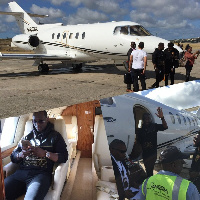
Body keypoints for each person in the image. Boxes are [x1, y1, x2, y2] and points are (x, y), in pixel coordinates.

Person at [4, 110, 68, 200]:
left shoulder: (56, 137)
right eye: (34, 121)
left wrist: (46, 153)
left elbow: (64, 157)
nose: (37, 124)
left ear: (47, 119)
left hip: (41, 175)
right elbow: (13, 157)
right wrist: (21, 154)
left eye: (41, 121)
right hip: (21, 173)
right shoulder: (26, 137)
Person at [135, 107, 168, 177]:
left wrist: (162, 118)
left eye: (148, 117)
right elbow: (139, 140)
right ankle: (149, 179)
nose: (147, 119)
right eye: (145, 118)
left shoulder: (154, 126)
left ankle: (149, 180)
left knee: (150, 169)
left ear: (150, 119)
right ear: (143, 119)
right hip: (145, 153)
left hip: (152, 153)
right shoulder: (141, 129)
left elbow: (165, 127)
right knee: (148, 168)